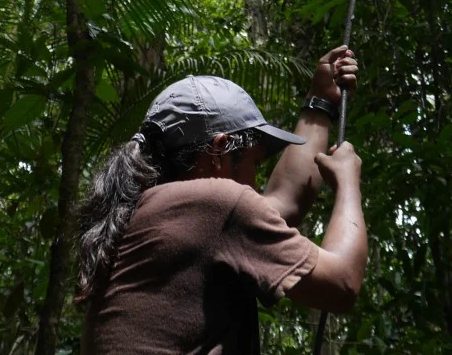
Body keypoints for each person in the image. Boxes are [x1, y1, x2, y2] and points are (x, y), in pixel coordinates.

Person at [77, 47, 366, 354]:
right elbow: (342, 284)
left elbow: (285, 201)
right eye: (253, 164)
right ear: (219, 150)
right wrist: (348, 183)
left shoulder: (146, 214)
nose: (255, 182)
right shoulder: (214, 206)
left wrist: (320, 102)